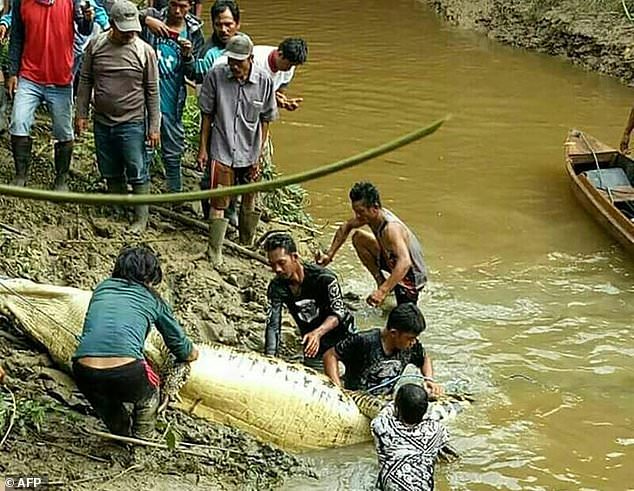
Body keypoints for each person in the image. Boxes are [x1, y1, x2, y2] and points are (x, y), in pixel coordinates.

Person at [72, 245, 199, 439]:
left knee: (105, 401)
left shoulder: (102, 288)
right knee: (150, 395)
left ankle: (120, 431)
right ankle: (143, 439)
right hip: (128, 371)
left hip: (83, 370)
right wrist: (192, 354)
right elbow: (180, 346)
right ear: (151, 277)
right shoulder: (154, 299)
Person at [76, 0, 160, 232]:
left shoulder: (145, 51)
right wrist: (81, 113)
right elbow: (85, 80)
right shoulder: (96, 45)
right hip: (102, 120)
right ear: (112, 24)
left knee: (137, 168)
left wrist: (154, 126)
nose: (129, 34)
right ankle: (118, 208)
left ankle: (140, 218)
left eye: (133, 29)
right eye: (125, 29)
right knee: (110, 167)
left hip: (132, 121)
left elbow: (153, 90)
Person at [197, 32, 277, 262]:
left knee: (250, 198)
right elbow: (207, 115)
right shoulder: (216, 76)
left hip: (250, 148)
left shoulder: (264, 81)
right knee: (219, 200)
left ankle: (246, 243)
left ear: (250, 58)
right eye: (230, 61)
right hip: (221, 148)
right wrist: (203, 148)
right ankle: (215, 251)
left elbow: (266, 120)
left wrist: (259, 154)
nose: (233, 66)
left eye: (238, 62)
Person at [6, 0, 94, 190]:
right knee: (18, 121)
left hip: (60, 79)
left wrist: (88, 20)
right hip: (29, 75)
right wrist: (13, 72)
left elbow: (84, 29)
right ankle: (20, 175)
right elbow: (17, 37)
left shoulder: (72, 1)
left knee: (64, 131)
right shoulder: (21, 1)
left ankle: (61, 179)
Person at [317, 182, 428, 307]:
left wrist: (382, 292)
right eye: (355, 212)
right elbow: (346, 227)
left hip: (411, 275)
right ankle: (381, 281)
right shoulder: (370, 217)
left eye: (361, 212)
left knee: (400, 316)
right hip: (392, 260)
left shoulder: (391, 228)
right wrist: (330, 255)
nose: (357, 216)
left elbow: (405, 262)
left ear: (375, 208)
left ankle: (386, 289)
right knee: (359, 238)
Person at [263, 233, 355, 371]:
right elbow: (273, 325)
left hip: (343, 339)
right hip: (313, 347)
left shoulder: (325, 278)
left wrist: (317, 333)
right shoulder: (277, 287)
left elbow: (338, 313)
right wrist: (270, 359)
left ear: (295, 257)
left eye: (281, 263)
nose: (277, 269)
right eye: (272, 265)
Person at [141, 0, 204, 193]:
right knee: (143, 152)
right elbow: (118, 16)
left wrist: (187, 56)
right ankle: (139, 198)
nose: (177, 10)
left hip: (173, 103)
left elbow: (195, 74)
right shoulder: (153, 17)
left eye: (183, 6)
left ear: (191, 5)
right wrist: (146, 20)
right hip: (142, 102)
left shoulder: (194, 32)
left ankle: (174, 197)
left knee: (173, 154)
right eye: (174, 4)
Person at [323, 303, 442, 397]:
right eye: (410, 338)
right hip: (356, 397)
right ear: (394, 333)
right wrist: (339, 390)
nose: (414, 342)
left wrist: (429, 379)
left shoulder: (410, 346)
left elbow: (425, 358)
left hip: (384, 398)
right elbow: (330, 355)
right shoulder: (364, 341)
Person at [371, 381, 449, 490]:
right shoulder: (437, 430)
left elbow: (386, 411)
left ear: (397, 408)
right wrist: (424, 400)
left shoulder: (382, 426)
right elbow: (434, 415)